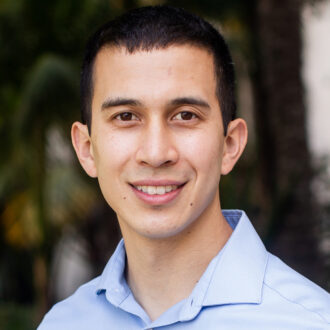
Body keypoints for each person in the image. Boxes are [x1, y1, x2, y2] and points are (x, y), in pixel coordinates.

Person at [38, 5, 330, 329]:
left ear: (230, 144)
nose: (155, 153)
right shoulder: (62, 323)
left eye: (185, 115)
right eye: (125, 116)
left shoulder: (310, 321)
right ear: (87, 149)